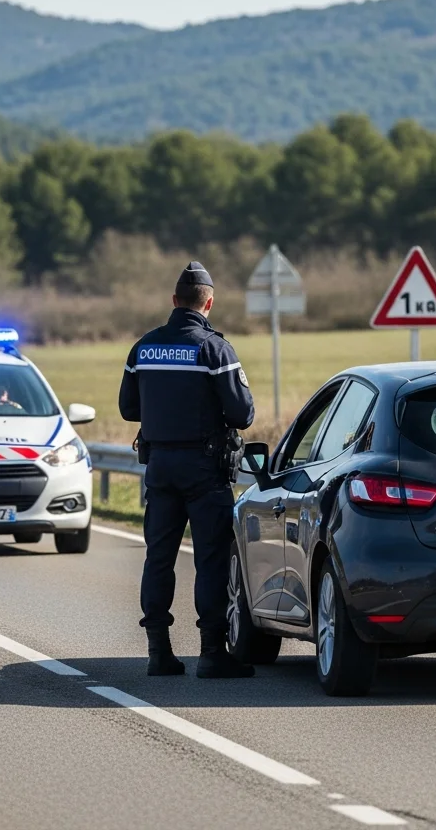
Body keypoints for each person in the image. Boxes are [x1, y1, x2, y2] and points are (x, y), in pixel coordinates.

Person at [119, 261, 256, 678]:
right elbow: (243, 413)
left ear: (174, 301)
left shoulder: (144, 347)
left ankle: (158, 653)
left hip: (159, 466)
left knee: (158, 558)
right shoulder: (215, 349)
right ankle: (212, 654)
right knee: (210, 559)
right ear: (208, 303)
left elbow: (128, 409)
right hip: (204, 469)